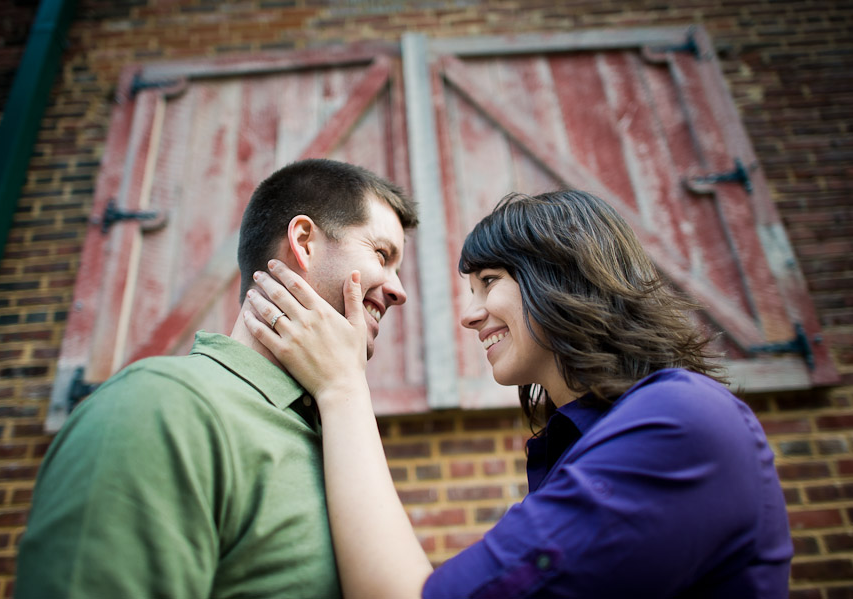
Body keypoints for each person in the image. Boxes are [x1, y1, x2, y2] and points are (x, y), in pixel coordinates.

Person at [244, 190, 793, 599]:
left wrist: (342, 387)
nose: (469, 312)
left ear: (562, 277)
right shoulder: (575, 446)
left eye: (489, 281)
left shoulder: (679, 422)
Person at [14, 159, 418, 599]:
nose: (398, 290)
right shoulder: (160, 408)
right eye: (382, 255)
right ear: (304, 242)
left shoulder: (341, 441)